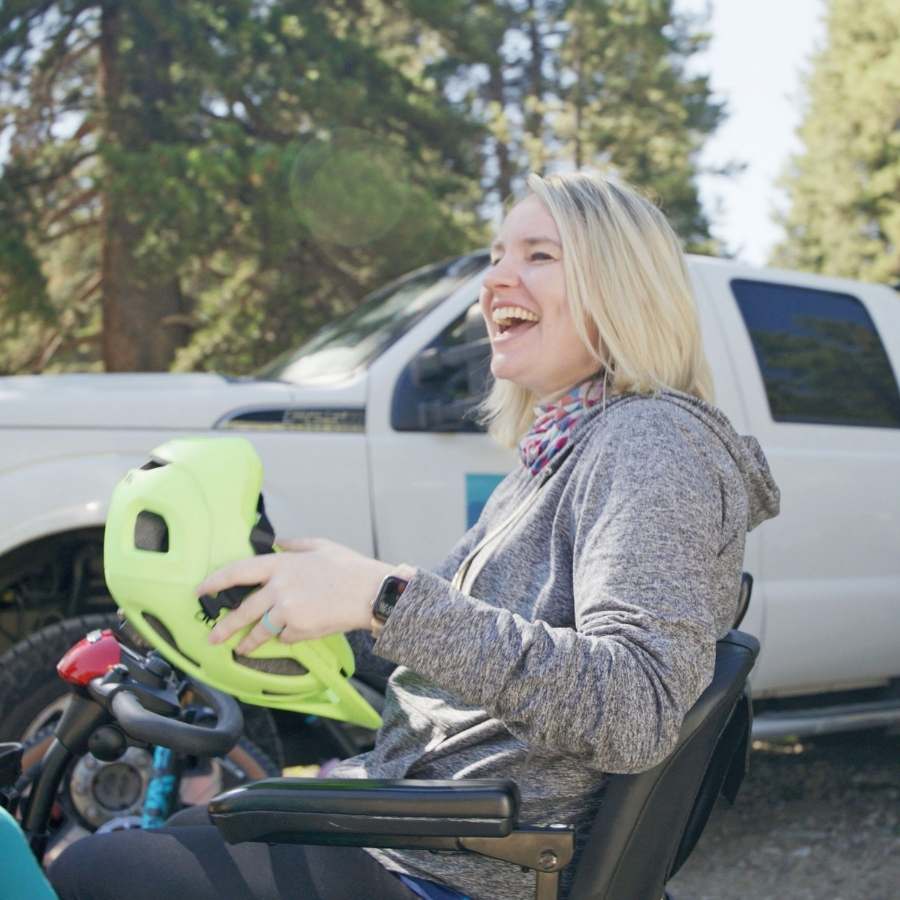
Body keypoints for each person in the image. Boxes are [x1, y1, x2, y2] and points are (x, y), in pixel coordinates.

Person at [49, 170, 780, 900]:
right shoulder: (562, 451)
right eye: (496, 256)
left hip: (466, 864)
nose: (495, 281)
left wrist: (383, 597)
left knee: (91, 871)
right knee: (172, 835)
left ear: (624, 285)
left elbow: (636, 708)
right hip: (413, 824)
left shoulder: (652, 441)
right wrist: (301, 612)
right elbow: (458, 658)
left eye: (538, 255)